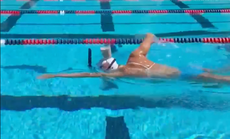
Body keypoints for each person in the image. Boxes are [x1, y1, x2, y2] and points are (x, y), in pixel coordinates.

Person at [37, 33, 230, 84]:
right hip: (185, 67)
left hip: (182, 77)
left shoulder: (123, 72)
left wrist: (55, 75)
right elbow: (149, 36)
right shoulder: (135, 55)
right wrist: (154, 40)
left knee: (220, 81)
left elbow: (87, 75)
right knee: (214, 73)